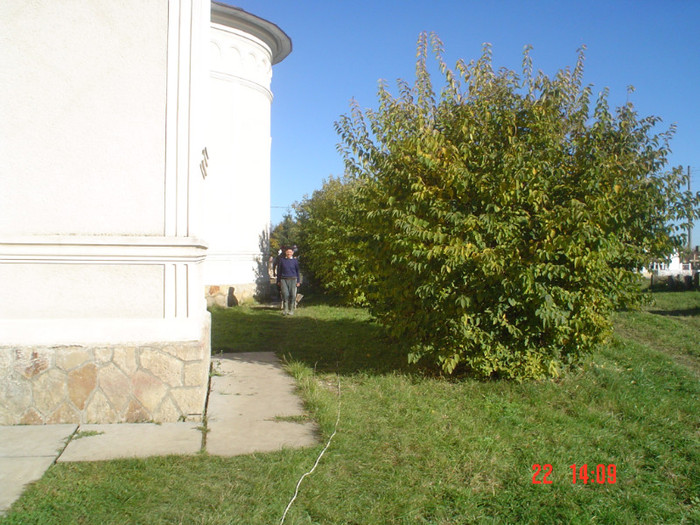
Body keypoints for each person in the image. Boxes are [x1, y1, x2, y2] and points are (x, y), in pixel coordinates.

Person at [276, 247, 300, 315]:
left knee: (292, 295)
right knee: (285, 294)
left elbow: (297, 271)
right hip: (283, 279)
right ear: (285, 253)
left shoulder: (295, 261)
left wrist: (298, 281)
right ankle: (285, 310)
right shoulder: (282, 260)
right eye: (287, 252)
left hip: (293, 279)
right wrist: (278, 281)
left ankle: (291, 310)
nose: (289, 253)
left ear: (292, 253)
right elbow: (279, 271)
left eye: (290, 252)